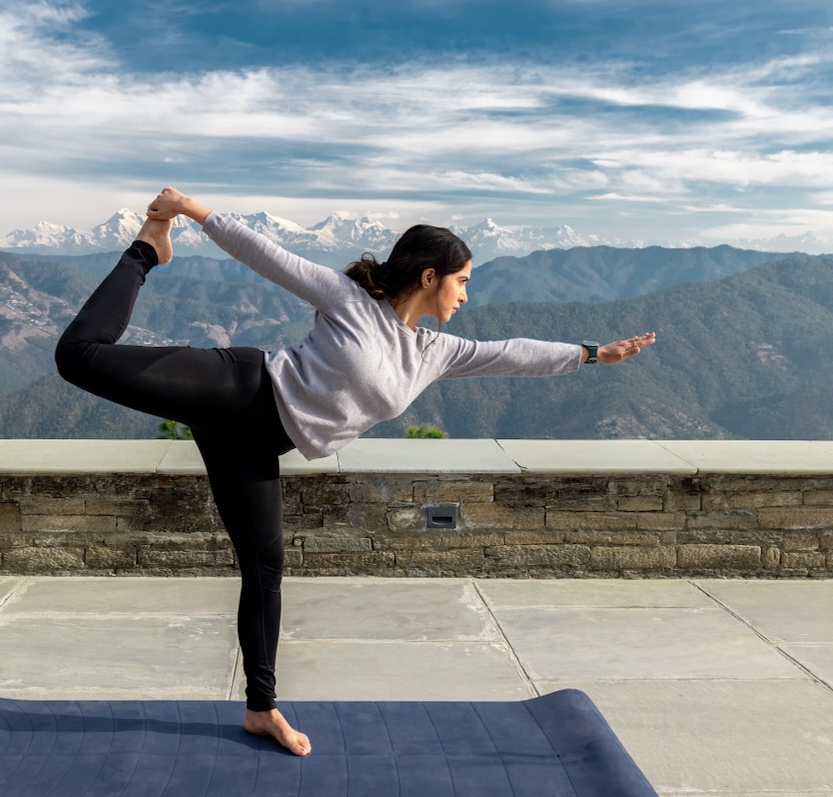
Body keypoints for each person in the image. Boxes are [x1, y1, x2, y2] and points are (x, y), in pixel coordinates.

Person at [54, 187, 657, 756]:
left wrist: (589, 354)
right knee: (78, 358)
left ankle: (261, 709)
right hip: (237, 388)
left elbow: (512, 353)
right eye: (463, 282)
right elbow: (268, 256)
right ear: (430, 277)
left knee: (265, 568)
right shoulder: (350, 301)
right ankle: (145, 251)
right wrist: (186, 210)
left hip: (255, 444)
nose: (466, 296)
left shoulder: (433, 353)